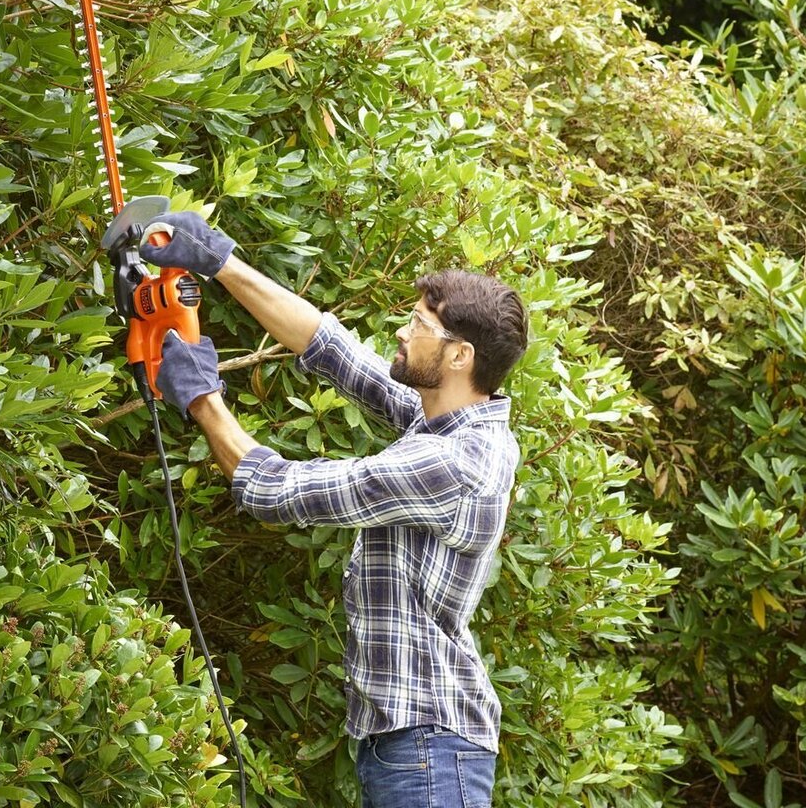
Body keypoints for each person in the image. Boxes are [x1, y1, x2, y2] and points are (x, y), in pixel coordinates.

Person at [142, 211, 527, 808]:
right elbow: (332, 348)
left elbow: (275, 490)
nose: (402, 332)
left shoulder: (453, 463)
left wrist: (202, 399)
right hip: (411, 743)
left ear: (459, 356)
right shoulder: (450, 418)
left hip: (428, 748)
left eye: (418, 324)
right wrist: (219, 261)